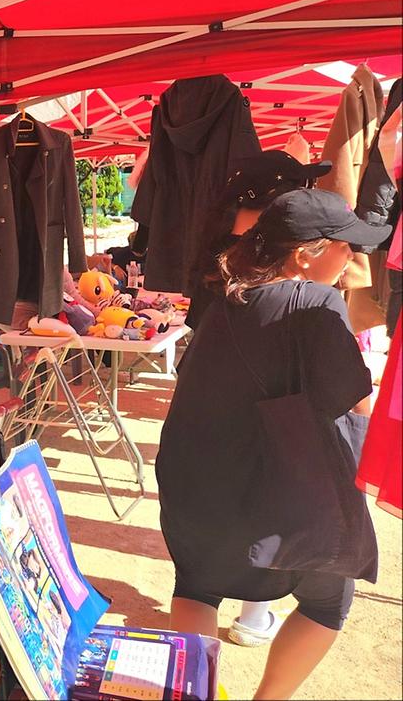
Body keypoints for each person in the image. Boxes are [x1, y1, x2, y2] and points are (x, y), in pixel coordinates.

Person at [155, 189, 381, 700]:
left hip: (193, 482)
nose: (351, 258)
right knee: (327, 600)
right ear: (304, 255)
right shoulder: (317, 302)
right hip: (276, 491)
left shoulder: (225, 299)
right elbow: (353, 403)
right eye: (344, 246)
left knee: (197, 586)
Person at [186, 151, 332, 330]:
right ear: (277, 199)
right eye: (302, 188)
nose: (306, 196)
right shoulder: (256, 260)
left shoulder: (216, 251)